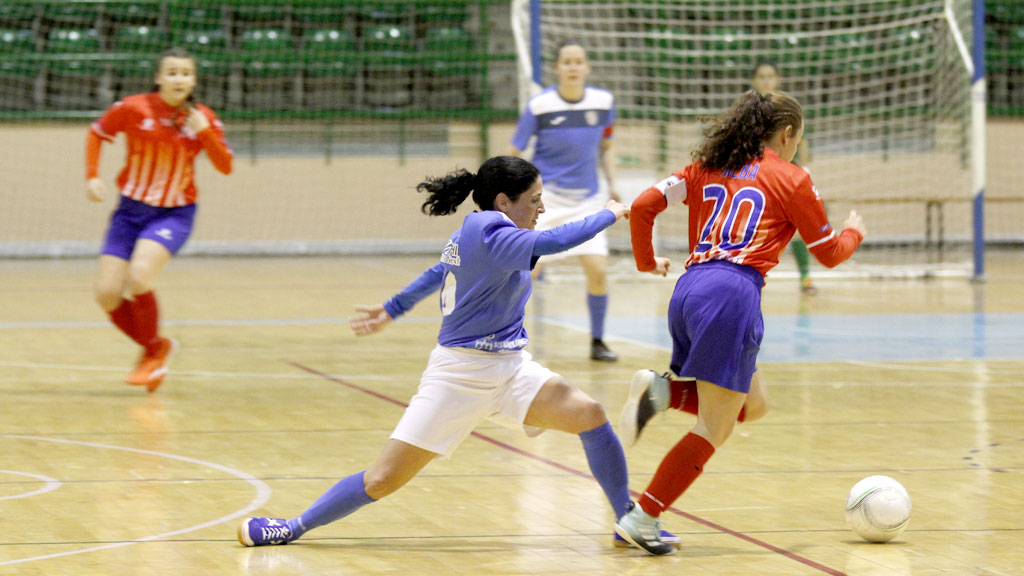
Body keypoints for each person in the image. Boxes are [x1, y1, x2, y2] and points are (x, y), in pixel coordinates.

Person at [237, 156, 674, 552]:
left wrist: (392, 308)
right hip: (459, 375)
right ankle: (292, 526)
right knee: (381, 480)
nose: (541, 209)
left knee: (590, 414)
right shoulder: (491, 231)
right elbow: (559, 242)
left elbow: (438, 271)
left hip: (511, 366)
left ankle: (627, 520)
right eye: (536, 200)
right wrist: (611, 212)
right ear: (504, 201)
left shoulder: (480, 229)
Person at [615, 91, 866, 554]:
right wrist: (854, 231)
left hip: (688, 289)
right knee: (715, 427)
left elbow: (644, 204)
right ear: (787, 135)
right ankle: (643, 518)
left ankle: (663, 392)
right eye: (797, 140)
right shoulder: (793, 177)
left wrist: (646, 262)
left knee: (755, 404)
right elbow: (828, 253)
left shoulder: (706, 166)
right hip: (733, 293)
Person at [86, 47, 233, 392]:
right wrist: (92, 175)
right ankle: (156, 347)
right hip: (129, 212)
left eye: (185, 73)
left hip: (173, 213)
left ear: (193, 80)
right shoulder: (134, 108)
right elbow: (97, 132)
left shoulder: (203, 117)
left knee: (139, 276)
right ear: (158, 78)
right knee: (107, 294)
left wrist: (204, 133)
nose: (178, 78)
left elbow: (226, 166)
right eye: (171, 72)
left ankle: (153, 356)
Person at [509, 40, 620, 361]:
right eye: (566, 62)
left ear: (586, 67)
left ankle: (597, 342)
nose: (572, 67)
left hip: (588, 199)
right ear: (556, 68)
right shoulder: (539, 106)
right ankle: (509, 335)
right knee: (529, 271)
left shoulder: (603, 102)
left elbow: (608, 145)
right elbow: (515, 151)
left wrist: (612, 184)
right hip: (545, 200)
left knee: (598, 270)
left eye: (578, 61)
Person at [752, 61, 817, 294]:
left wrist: (805, 169)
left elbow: (804, 142)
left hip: (786, 176)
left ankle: (806, 277)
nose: (766, 80)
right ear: (754, 81)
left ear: (777, 80)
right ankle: (753, 276)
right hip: (758, 176)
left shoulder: (788, 109)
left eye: (770, 76)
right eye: (761, 76)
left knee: (798, 226)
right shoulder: (749, 112)